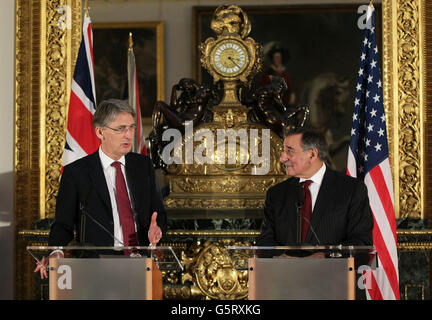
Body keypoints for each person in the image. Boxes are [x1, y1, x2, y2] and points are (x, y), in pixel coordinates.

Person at [35, 99, 167, 278]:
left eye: (131, 127)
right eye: (121, 129)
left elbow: (158, 213)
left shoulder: (143, 166)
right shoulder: (77, 173)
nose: (128, 135)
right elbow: (63, 224)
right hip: (95, 266)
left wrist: (158, 228)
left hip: (141, 263)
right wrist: (55, 252)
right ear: (100, 132)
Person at [257, 127, 373, 246]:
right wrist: (282, 257)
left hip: (332, 265)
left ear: (312, 154)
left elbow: (361, 241)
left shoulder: (351, 189)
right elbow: (265, 241)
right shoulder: (276, 194)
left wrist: (325, 256)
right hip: (286, 264)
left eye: (289, 151)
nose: (282, 158)